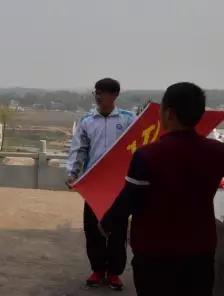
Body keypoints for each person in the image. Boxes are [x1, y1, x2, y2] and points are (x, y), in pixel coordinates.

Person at [102, 82, 224, 296]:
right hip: (200, 250)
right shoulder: (217, 151)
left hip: (155, 252)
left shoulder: (148, 155)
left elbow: (130, 198)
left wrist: (107, 222)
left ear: (169, 113)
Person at [66, 78, 135, 291]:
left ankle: (114, 273)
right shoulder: (87, 121)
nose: (97, 96)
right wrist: (72, 173)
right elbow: (79, 149)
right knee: (93, 229)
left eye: (102, 93)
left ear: (114, 95)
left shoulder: (128, 119)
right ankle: (97, 270)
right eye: (95, 92)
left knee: (118, 229)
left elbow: (137, 148)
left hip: (118, 186)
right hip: (94, 184)